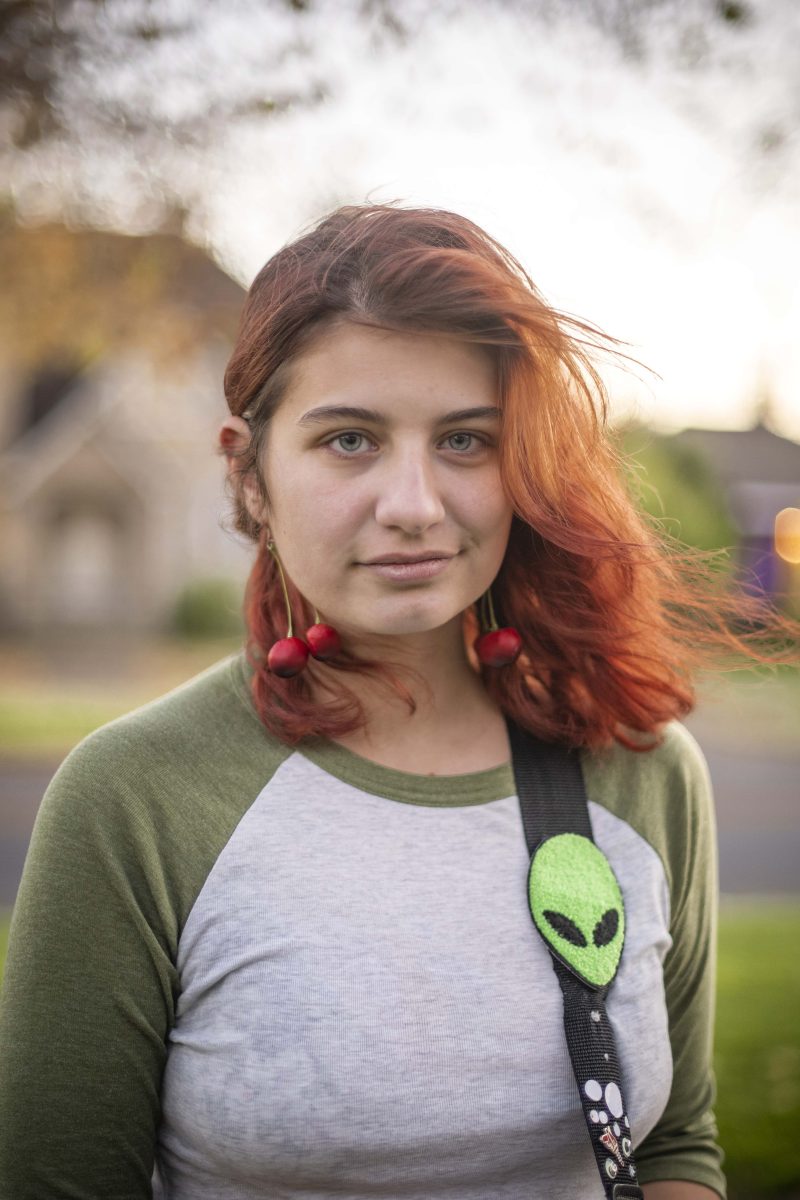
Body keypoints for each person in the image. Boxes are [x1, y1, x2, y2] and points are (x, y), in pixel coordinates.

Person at [5, 200, 785, 1200]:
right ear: (248, 475)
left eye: (464, 441)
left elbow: (674, 1143)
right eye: (347, 441)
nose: (414, 504)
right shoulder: (133, 799)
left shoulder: (638, 765)